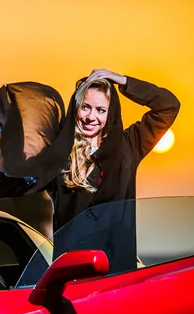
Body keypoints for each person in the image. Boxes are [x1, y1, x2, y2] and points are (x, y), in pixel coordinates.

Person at [46, 69, 181, 233]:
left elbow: (169, 106)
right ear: (76, 107)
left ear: (110, 112)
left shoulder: (129, 146)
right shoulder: (60, 152)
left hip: (116, 255)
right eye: (86, 107)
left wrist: (124, 82)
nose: (91, 117)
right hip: (72, 257)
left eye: (100, 110)